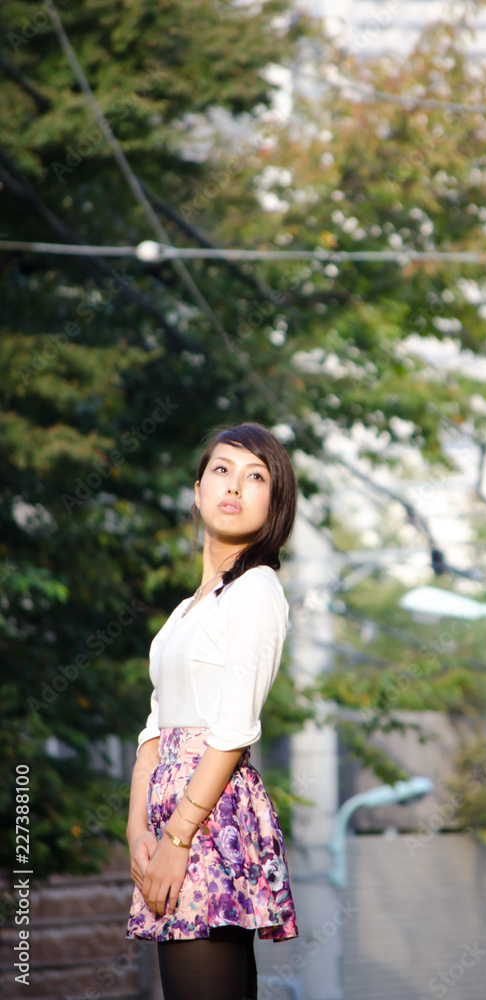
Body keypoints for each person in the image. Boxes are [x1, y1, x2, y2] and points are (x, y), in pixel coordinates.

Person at [126, 422, 299, 1000]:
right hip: (172, 820)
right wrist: (136, 826)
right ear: (197, 490)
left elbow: (231, 732)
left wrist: (176, 837)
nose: (234, 487)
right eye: (221, 470)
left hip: (207, 819)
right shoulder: (189, 608)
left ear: (274, 504)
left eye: (256, 477)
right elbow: (156, 725)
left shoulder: (257, 590)